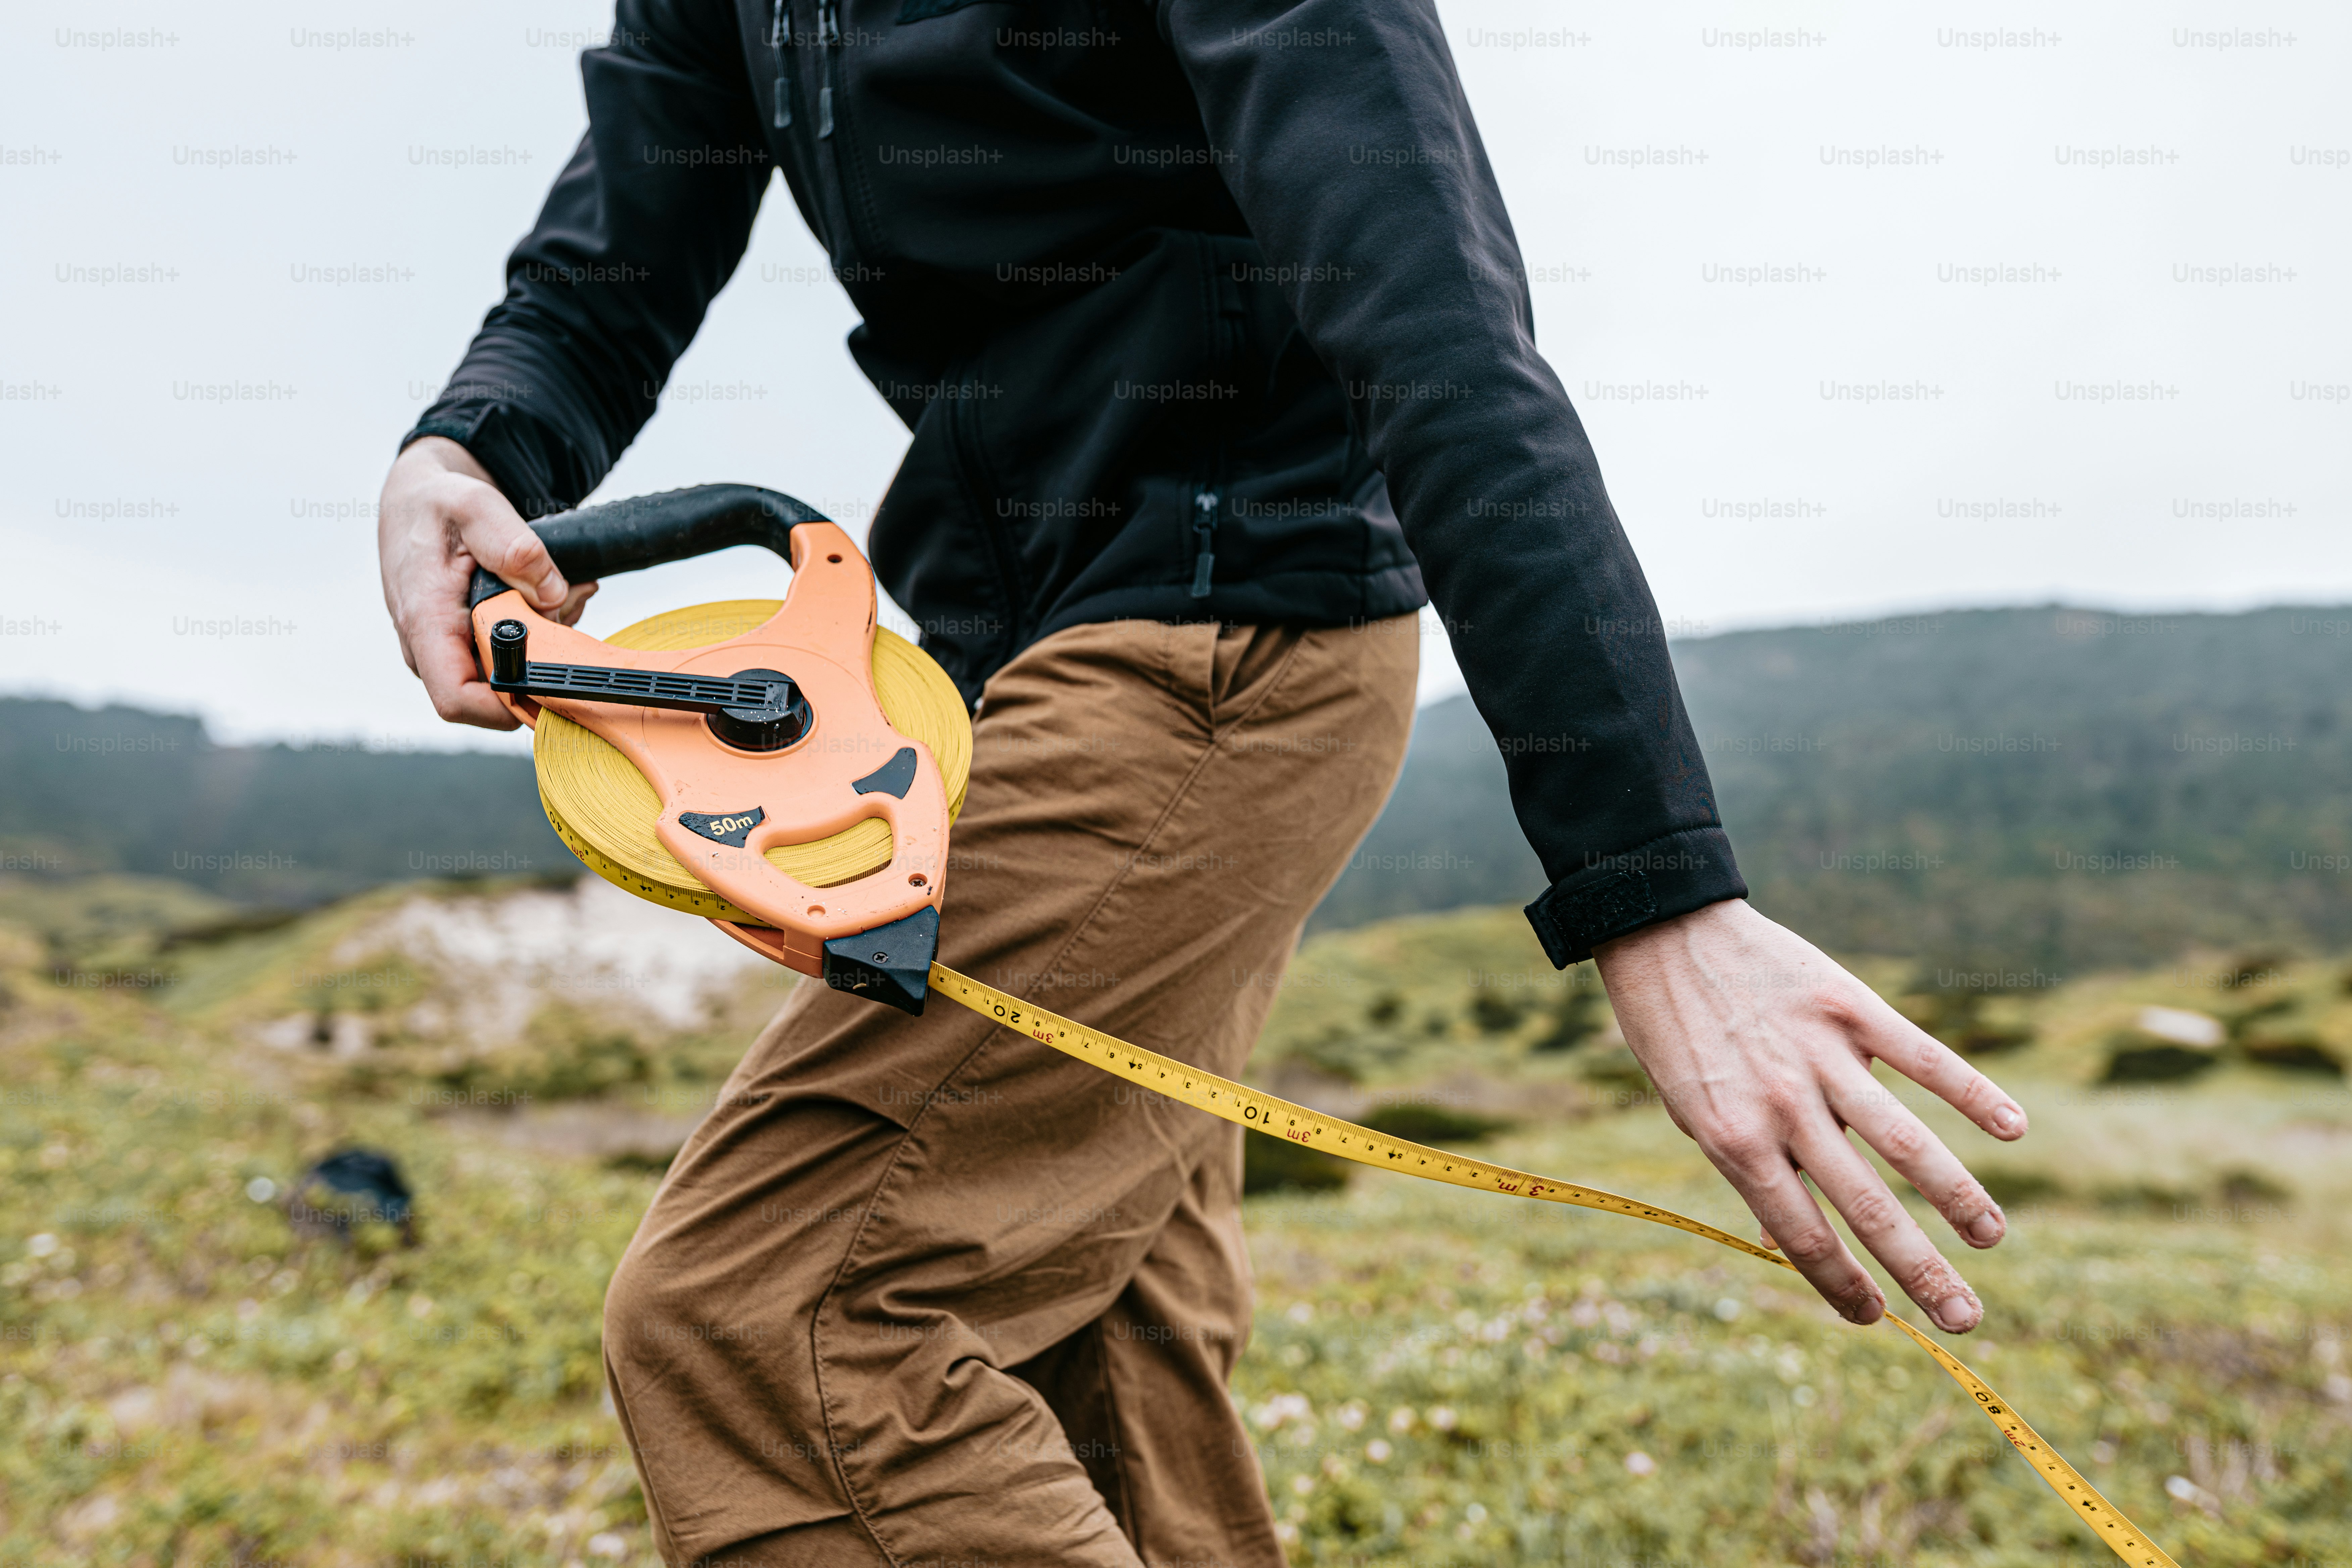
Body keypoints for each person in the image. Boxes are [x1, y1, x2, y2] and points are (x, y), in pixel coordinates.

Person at [376, 3, 2030, 1563]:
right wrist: (473, 445)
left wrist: (1656, 886)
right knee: (1103, 1354)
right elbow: (614, 257)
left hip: (1230, 637)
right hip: (979, 669)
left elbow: (1438, 329)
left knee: (770, 1326)